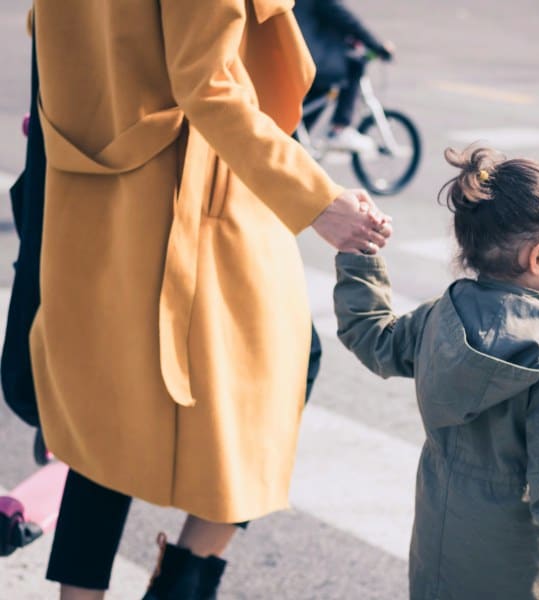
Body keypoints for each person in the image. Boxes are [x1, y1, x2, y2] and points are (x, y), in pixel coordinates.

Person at [28, 1, 391, 598]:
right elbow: (209, 84)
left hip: (89, 180)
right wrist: (316, 200)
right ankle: (186, 580)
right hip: (188, 191)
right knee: (286, 370)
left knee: (106, 416)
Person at [332, 146, 539, 599]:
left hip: (440, 553)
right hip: (519, 571)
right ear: (538, 258)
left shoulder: (442, 317)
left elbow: (373, 338)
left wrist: (359, 254)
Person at [292, 0, 394, 152]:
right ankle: (339, 129)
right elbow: (346, 19)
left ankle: (295, 137)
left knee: (316, 100)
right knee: (354, 66)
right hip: (312, 59)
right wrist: (377, 46)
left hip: (295, 54)